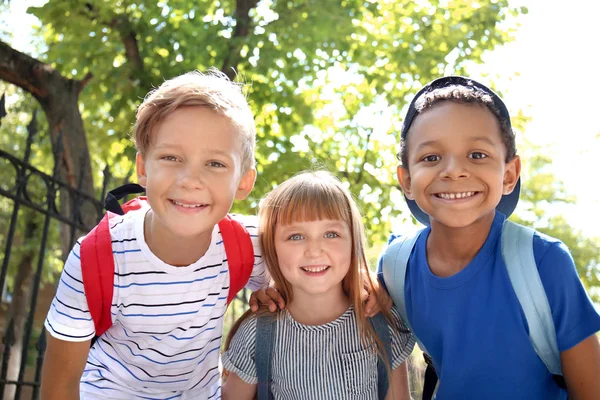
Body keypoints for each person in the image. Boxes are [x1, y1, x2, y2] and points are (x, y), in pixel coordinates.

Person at [41, 69, 280, 399]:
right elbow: (59, 388)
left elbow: (324, 275)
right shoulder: (96, 258)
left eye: (215, 164)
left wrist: (278, 288)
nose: (189, 179)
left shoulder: (248, 244)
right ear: (142, 168)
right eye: (171, 157)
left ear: (244, 181)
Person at [380, 76, 600, 399]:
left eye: (477, 155)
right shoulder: (396, 267)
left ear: (509, 174)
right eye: (431, 158)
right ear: (407, 180)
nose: (454, 171)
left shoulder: (544, 263)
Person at [221, 171, 416, 400]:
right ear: (272, 247)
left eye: (331, 234)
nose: (314, 250)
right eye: (295, 236)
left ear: (353, 242)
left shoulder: (381, 324)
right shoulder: (257, 334)